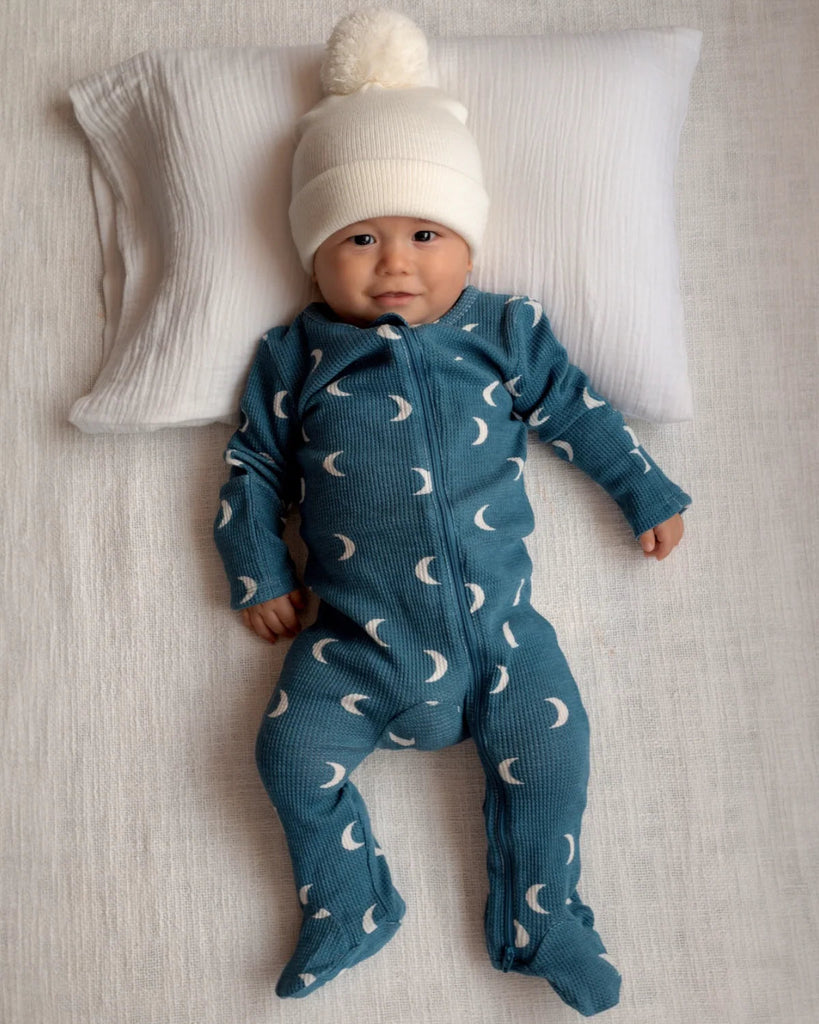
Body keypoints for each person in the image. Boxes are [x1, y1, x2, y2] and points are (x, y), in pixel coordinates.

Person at [213, 9, 689, 1016]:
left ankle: (543, 918)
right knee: (285, 756)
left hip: (502, 637)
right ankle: (348, 900)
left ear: (466, 242)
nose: (394, 263)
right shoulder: (295, 355)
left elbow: (577, 410)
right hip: (356, 640)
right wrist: (257, 568)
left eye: (424, 234)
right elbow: (251, 463)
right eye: (359, 238)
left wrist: (641, 488)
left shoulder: (504, 329)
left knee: (555, 754)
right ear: (313, 254)